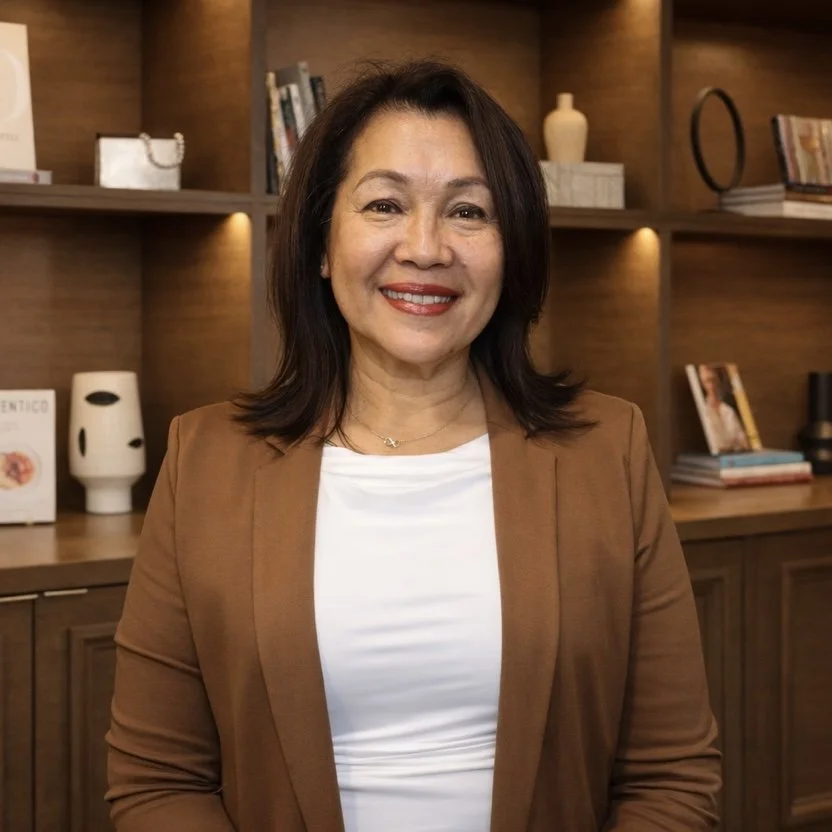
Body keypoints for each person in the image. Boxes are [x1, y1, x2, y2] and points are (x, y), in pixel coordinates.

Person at [106, 60, 721, 831]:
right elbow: (159, 782)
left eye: (469, 213)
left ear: (513, 250)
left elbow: (671, 776)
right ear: (321, 244)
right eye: (385, 204)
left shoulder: (609, 451)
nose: (426, 249)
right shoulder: (205, 460)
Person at [698, 364, 750, 453]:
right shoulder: (702, 411)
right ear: (702, 384)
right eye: (707, 381)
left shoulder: (728, 410)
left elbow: (742, 440)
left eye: (713, 381)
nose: (711, 386)